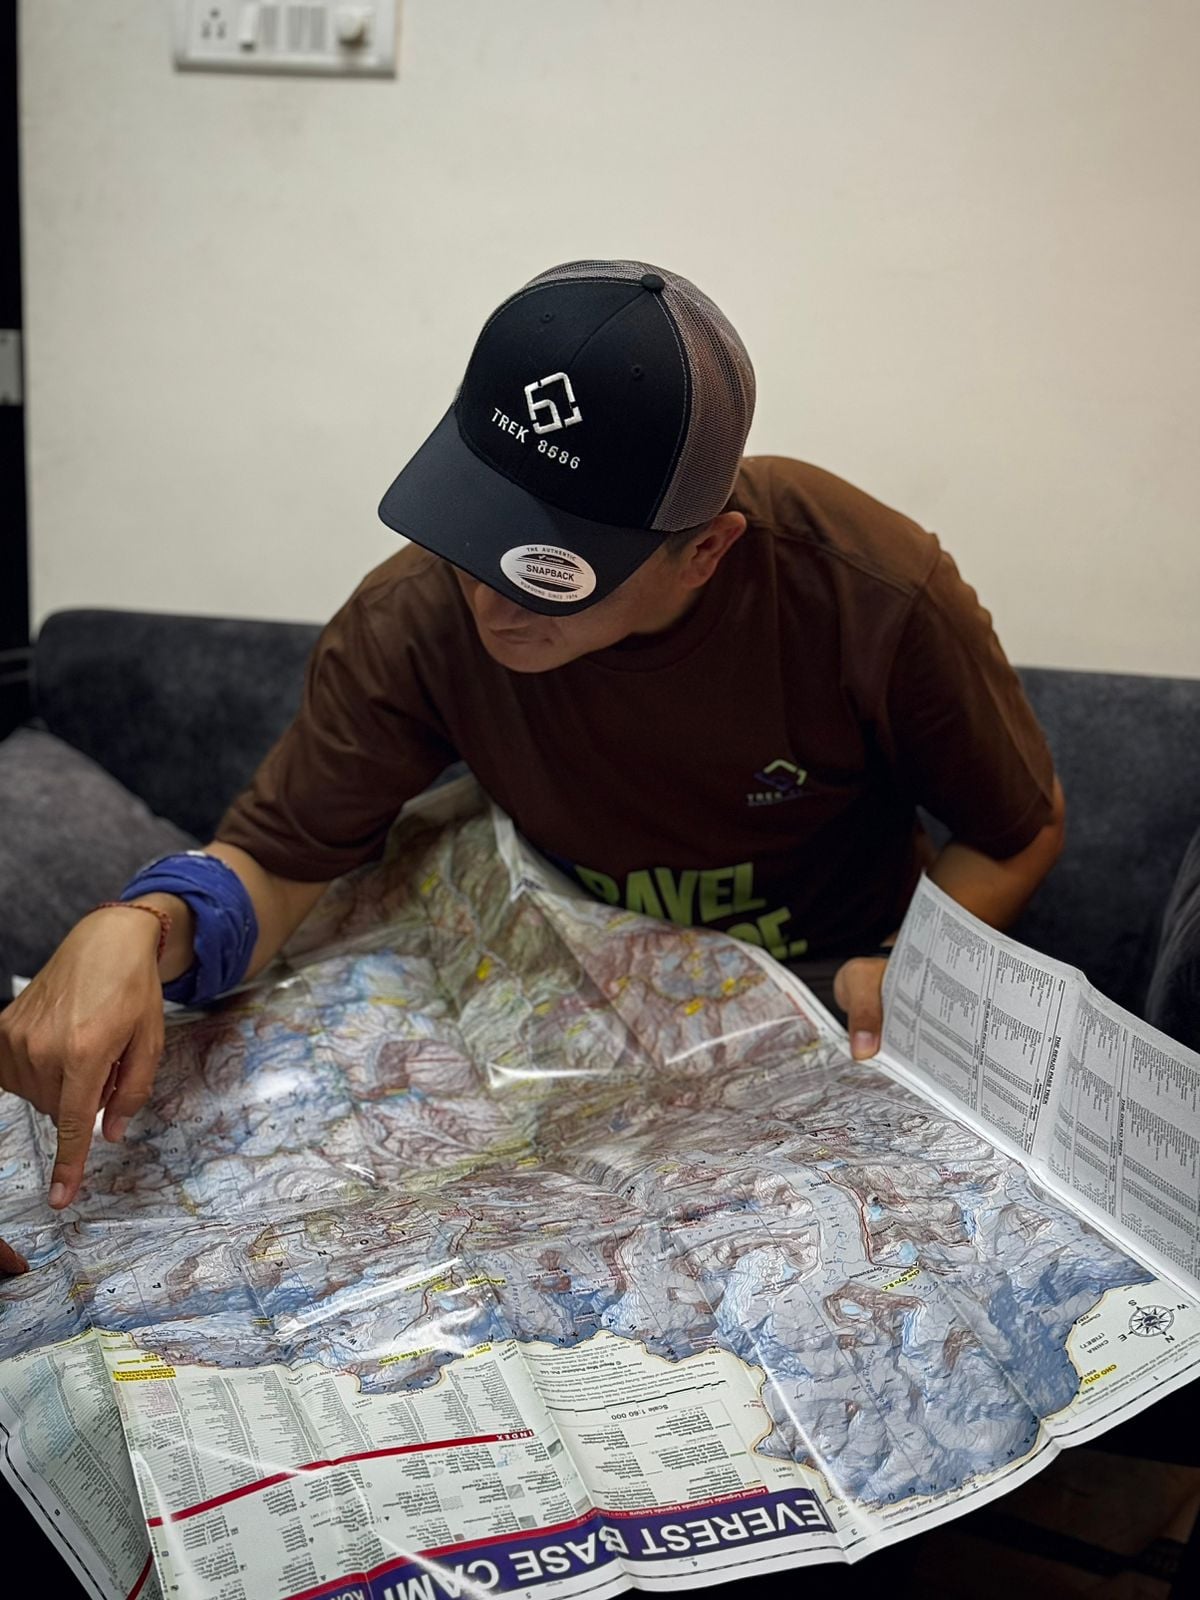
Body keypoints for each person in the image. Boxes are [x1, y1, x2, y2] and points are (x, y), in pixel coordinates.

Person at [0, 259, 1064, 1219]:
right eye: (475, 531)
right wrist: (139, 925)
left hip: (826, 1001)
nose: (490, 600)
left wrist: (909, 971)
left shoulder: (865, 589)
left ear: (704, 552)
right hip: (568, 1007)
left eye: (550, 570)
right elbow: (281, 863)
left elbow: (1018, 829)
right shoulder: (416, 615)